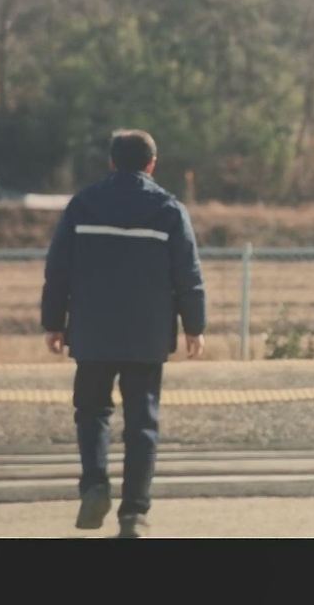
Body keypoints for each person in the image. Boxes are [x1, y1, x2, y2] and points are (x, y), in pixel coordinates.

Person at [41, 129, 207, 538]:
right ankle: (134, 514)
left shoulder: (83, 205)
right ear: (152, 164)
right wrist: (194, 326)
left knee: (92, 412)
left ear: (112, 162)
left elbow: (58, 268)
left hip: (92, 331)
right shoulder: (169, 209)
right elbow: (188, 274)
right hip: (147, 335)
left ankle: (95, 486)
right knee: (141, 423)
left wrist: (53, 321)